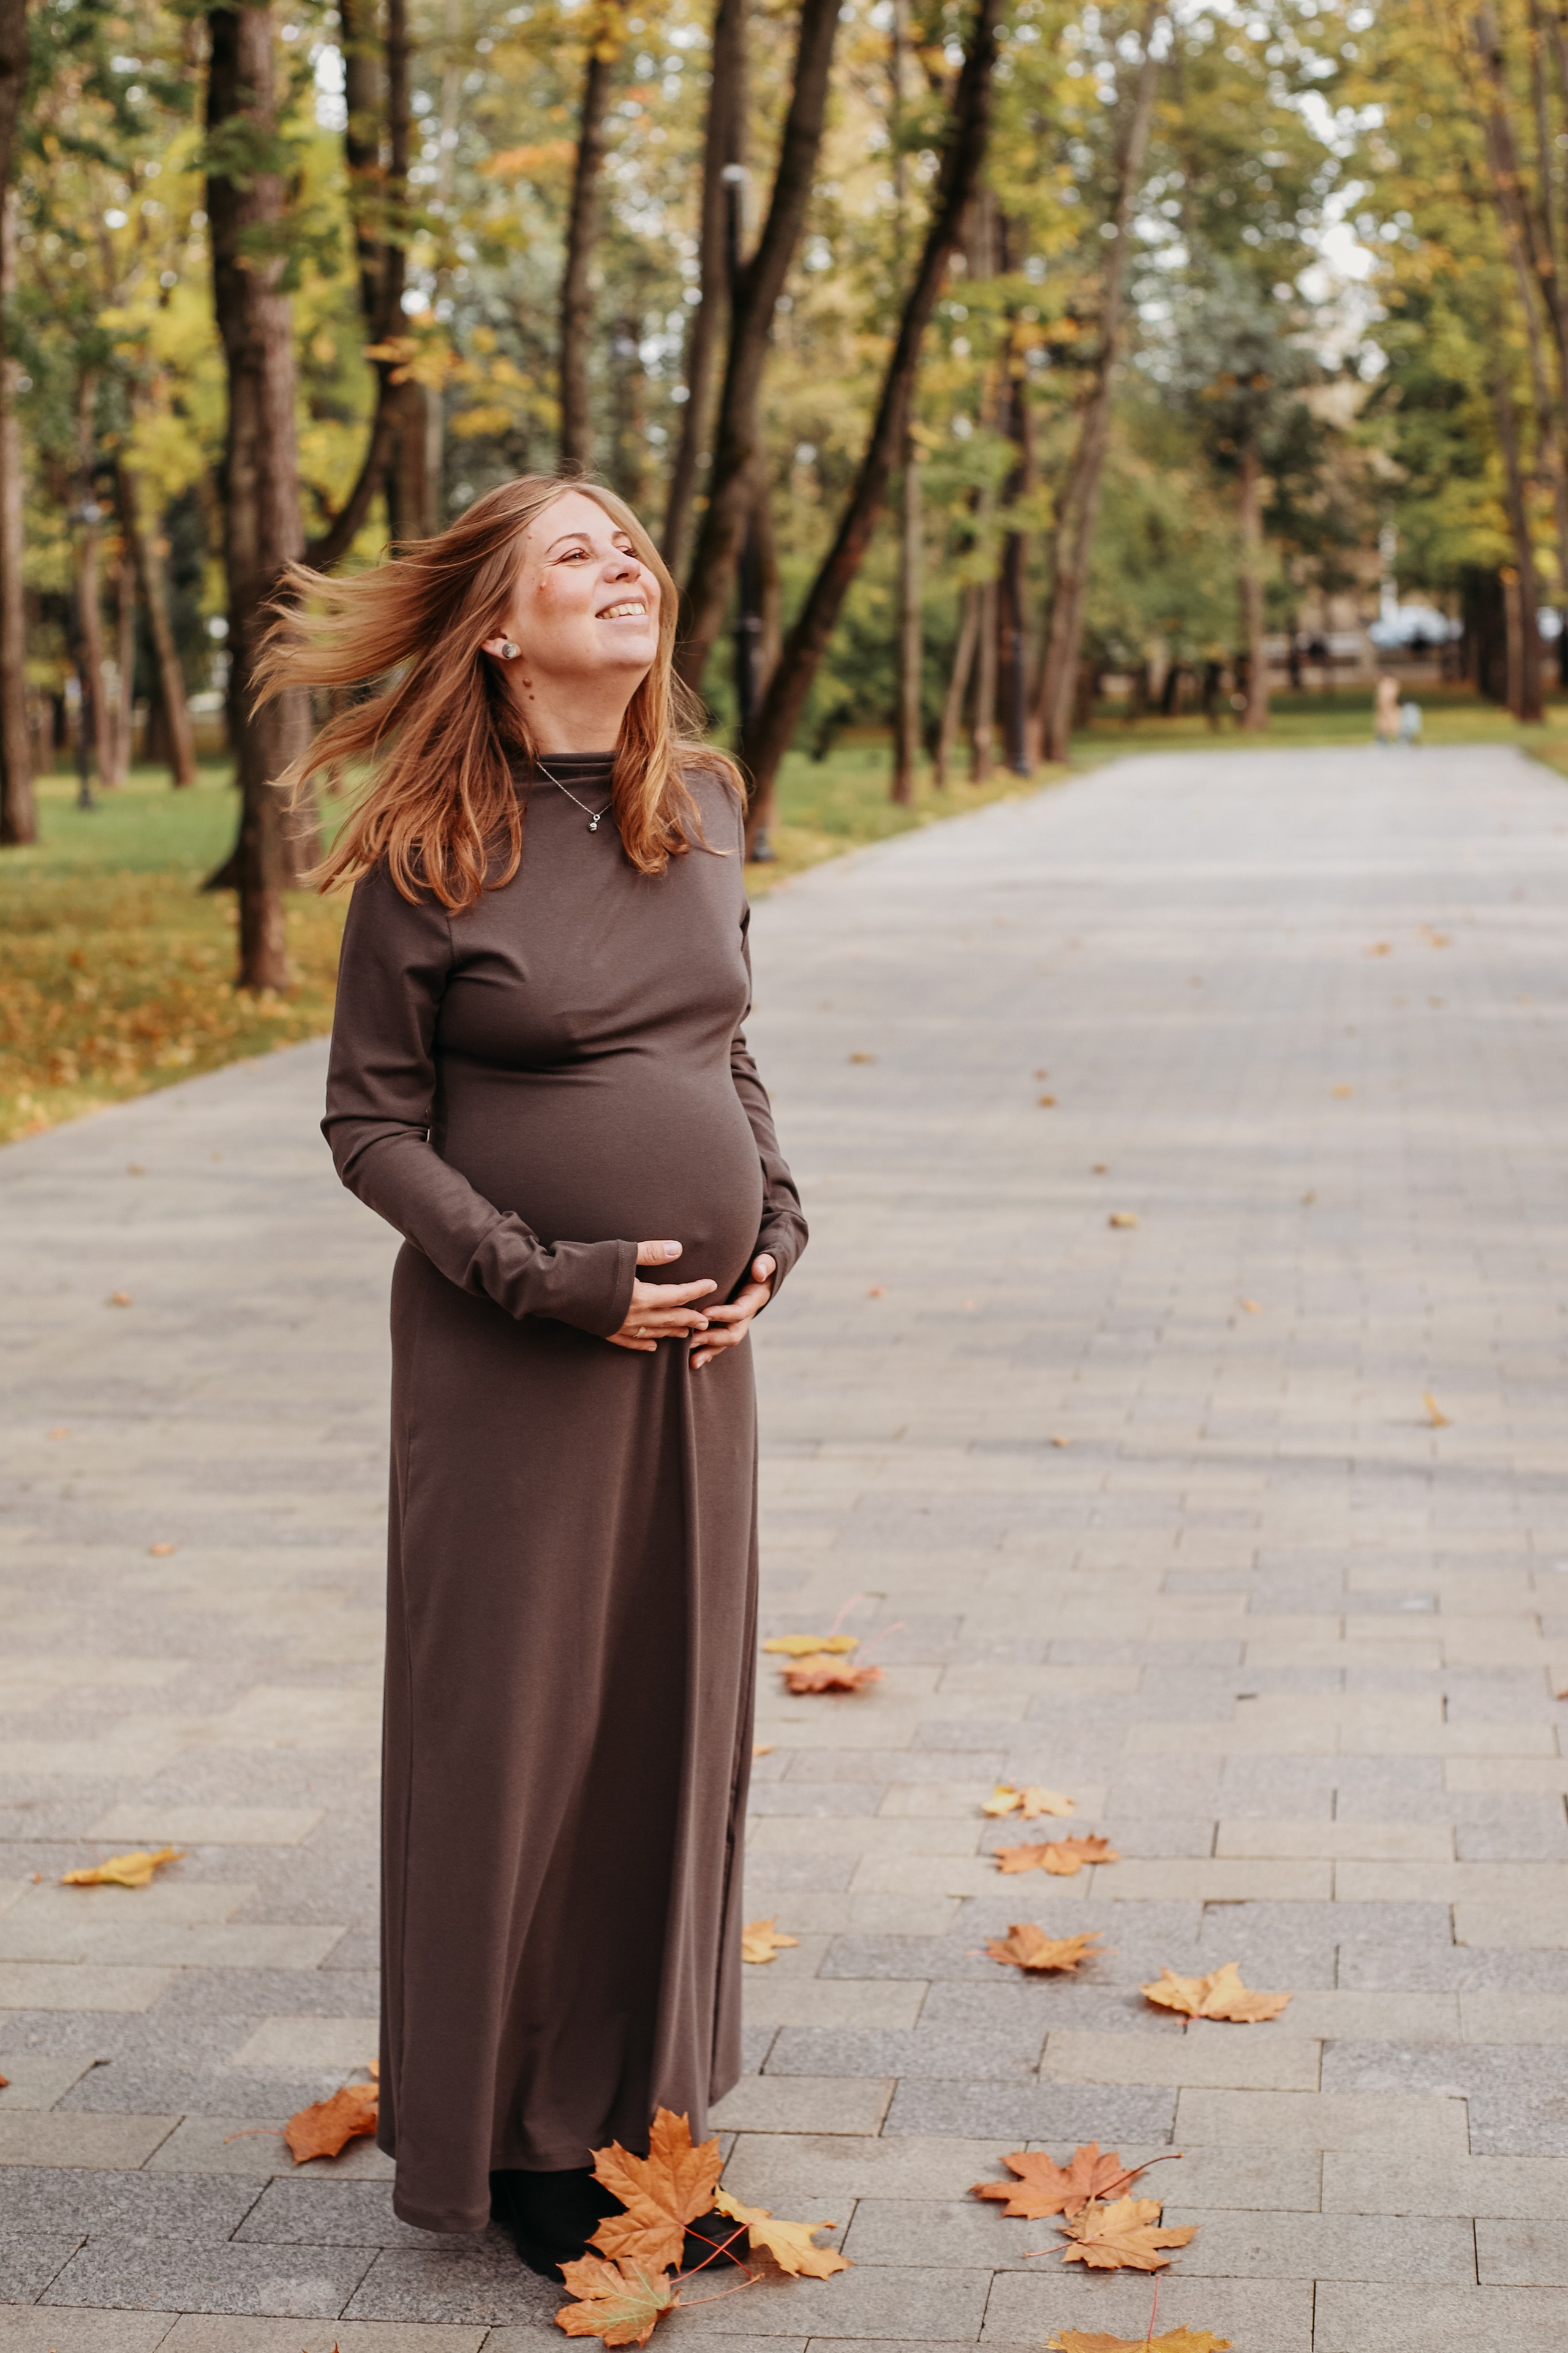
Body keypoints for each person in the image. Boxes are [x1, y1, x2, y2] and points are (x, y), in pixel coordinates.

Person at [255, 477, 807, 2277]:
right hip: (515, 1365)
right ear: (497, 624)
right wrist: (540, 1275)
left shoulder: (704, 803)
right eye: (576, 550)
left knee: (669, 1716)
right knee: (518, 1732)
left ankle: (637, 2120)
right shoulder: (432, 843)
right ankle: (515, 2142)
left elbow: (725, 1043)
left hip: (690, 1363)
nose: (622, 564)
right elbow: (367, 1121)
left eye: (633, 541)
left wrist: (774, 1226)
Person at [1373, 671, 1401, 745]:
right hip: (1383, 709)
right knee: (1382, 725)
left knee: (1393, 724)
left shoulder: (1391, 684)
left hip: (1390, 708)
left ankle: (1398, 740)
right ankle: (1382, 741)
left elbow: (1391, 696)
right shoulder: (1383, 684)